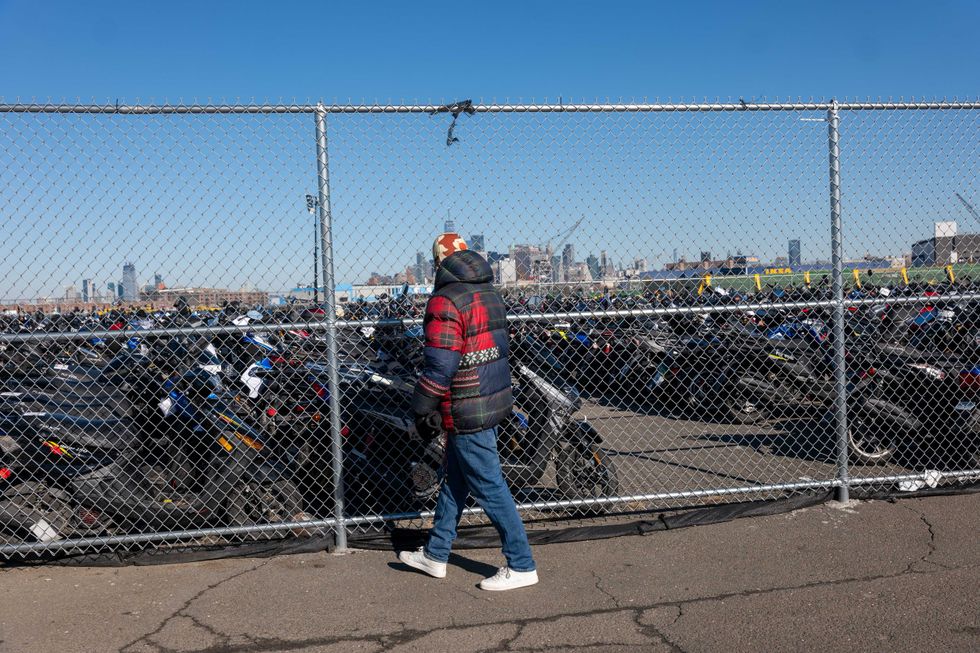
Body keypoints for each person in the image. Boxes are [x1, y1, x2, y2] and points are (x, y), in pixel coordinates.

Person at [397, 232, 538, 591]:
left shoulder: (445, 301)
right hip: (490, 398)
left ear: (437, 262)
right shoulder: (489, 291)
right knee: (456, 479)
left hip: (465, 404)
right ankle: (436, 553)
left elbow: (440, 366)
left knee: (489, 485)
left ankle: (522, 564)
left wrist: (421, 407)